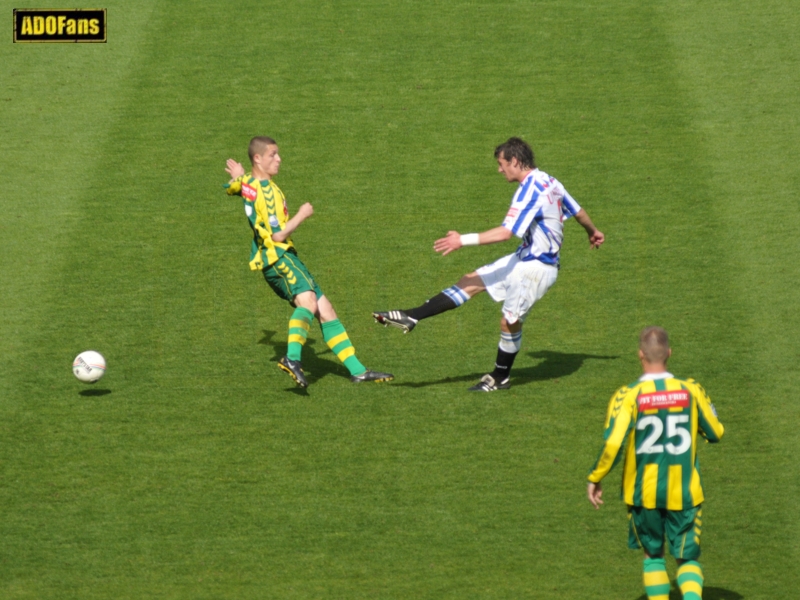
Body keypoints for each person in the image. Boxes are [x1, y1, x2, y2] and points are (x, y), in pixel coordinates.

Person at [373, 137, 604, 391]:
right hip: (523, 258)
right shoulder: (550, 181)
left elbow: (506, 233)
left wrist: (462, 239)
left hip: (536, 268)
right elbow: (578, 210)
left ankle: (499, 377)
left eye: (501, 163)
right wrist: (592, 231)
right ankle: (412, 316)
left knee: (509, 322)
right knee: (470, 280)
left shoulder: (530, 190)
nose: (499, 169)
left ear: (515, 161)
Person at [224, 136, 393, 387]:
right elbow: (278, 234)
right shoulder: (266, 191)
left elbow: (234, 187)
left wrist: (237, 175)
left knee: (326, 310)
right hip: (279, 258)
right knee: (309, 302)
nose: (279, 159)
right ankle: (292, 359)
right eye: (273, 155)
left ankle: (357, 370)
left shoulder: (248, 183)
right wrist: (302, 215)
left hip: (283, 258)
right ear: (258, 158)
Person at [587, 327, 724, 600]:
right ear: (669, 353)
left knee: (653, 555)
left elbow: (613, 443)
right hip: (685, 491)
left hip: (643, 493)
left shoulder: (627, 395)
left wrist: (596, 476)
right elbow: (716, 432)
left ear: (640, 355)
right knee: (687, 558)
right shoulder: (691, 390)